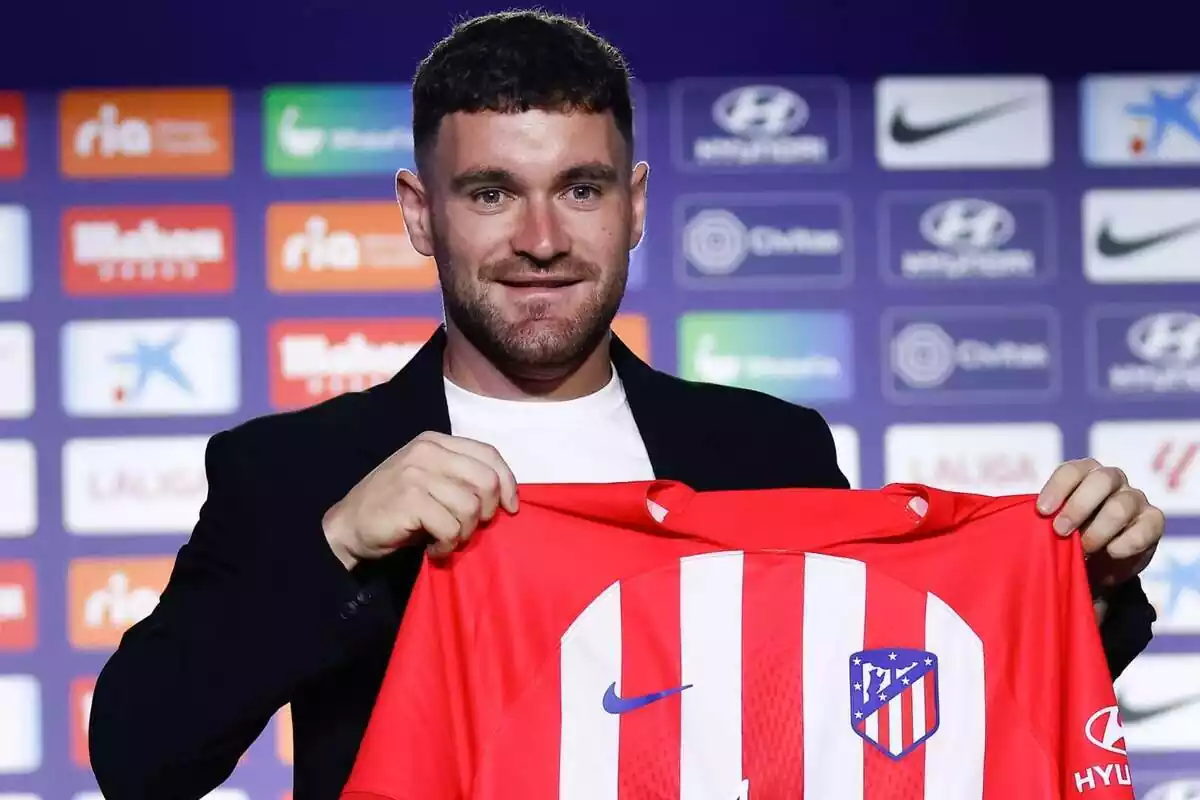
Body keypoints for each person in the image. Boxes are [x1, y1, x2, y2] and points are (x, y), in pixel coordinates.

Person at [88, 10, 1165, 800]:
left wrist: (1090, 587)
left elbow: (910, 682)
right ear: (421, 213)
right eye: (492, 191)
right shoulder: (295, 469)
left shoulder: (765, 447)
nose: (544, 237)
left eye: (583, 188)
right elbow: (140, 757)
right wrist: (333, 547)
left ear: (636, 204)